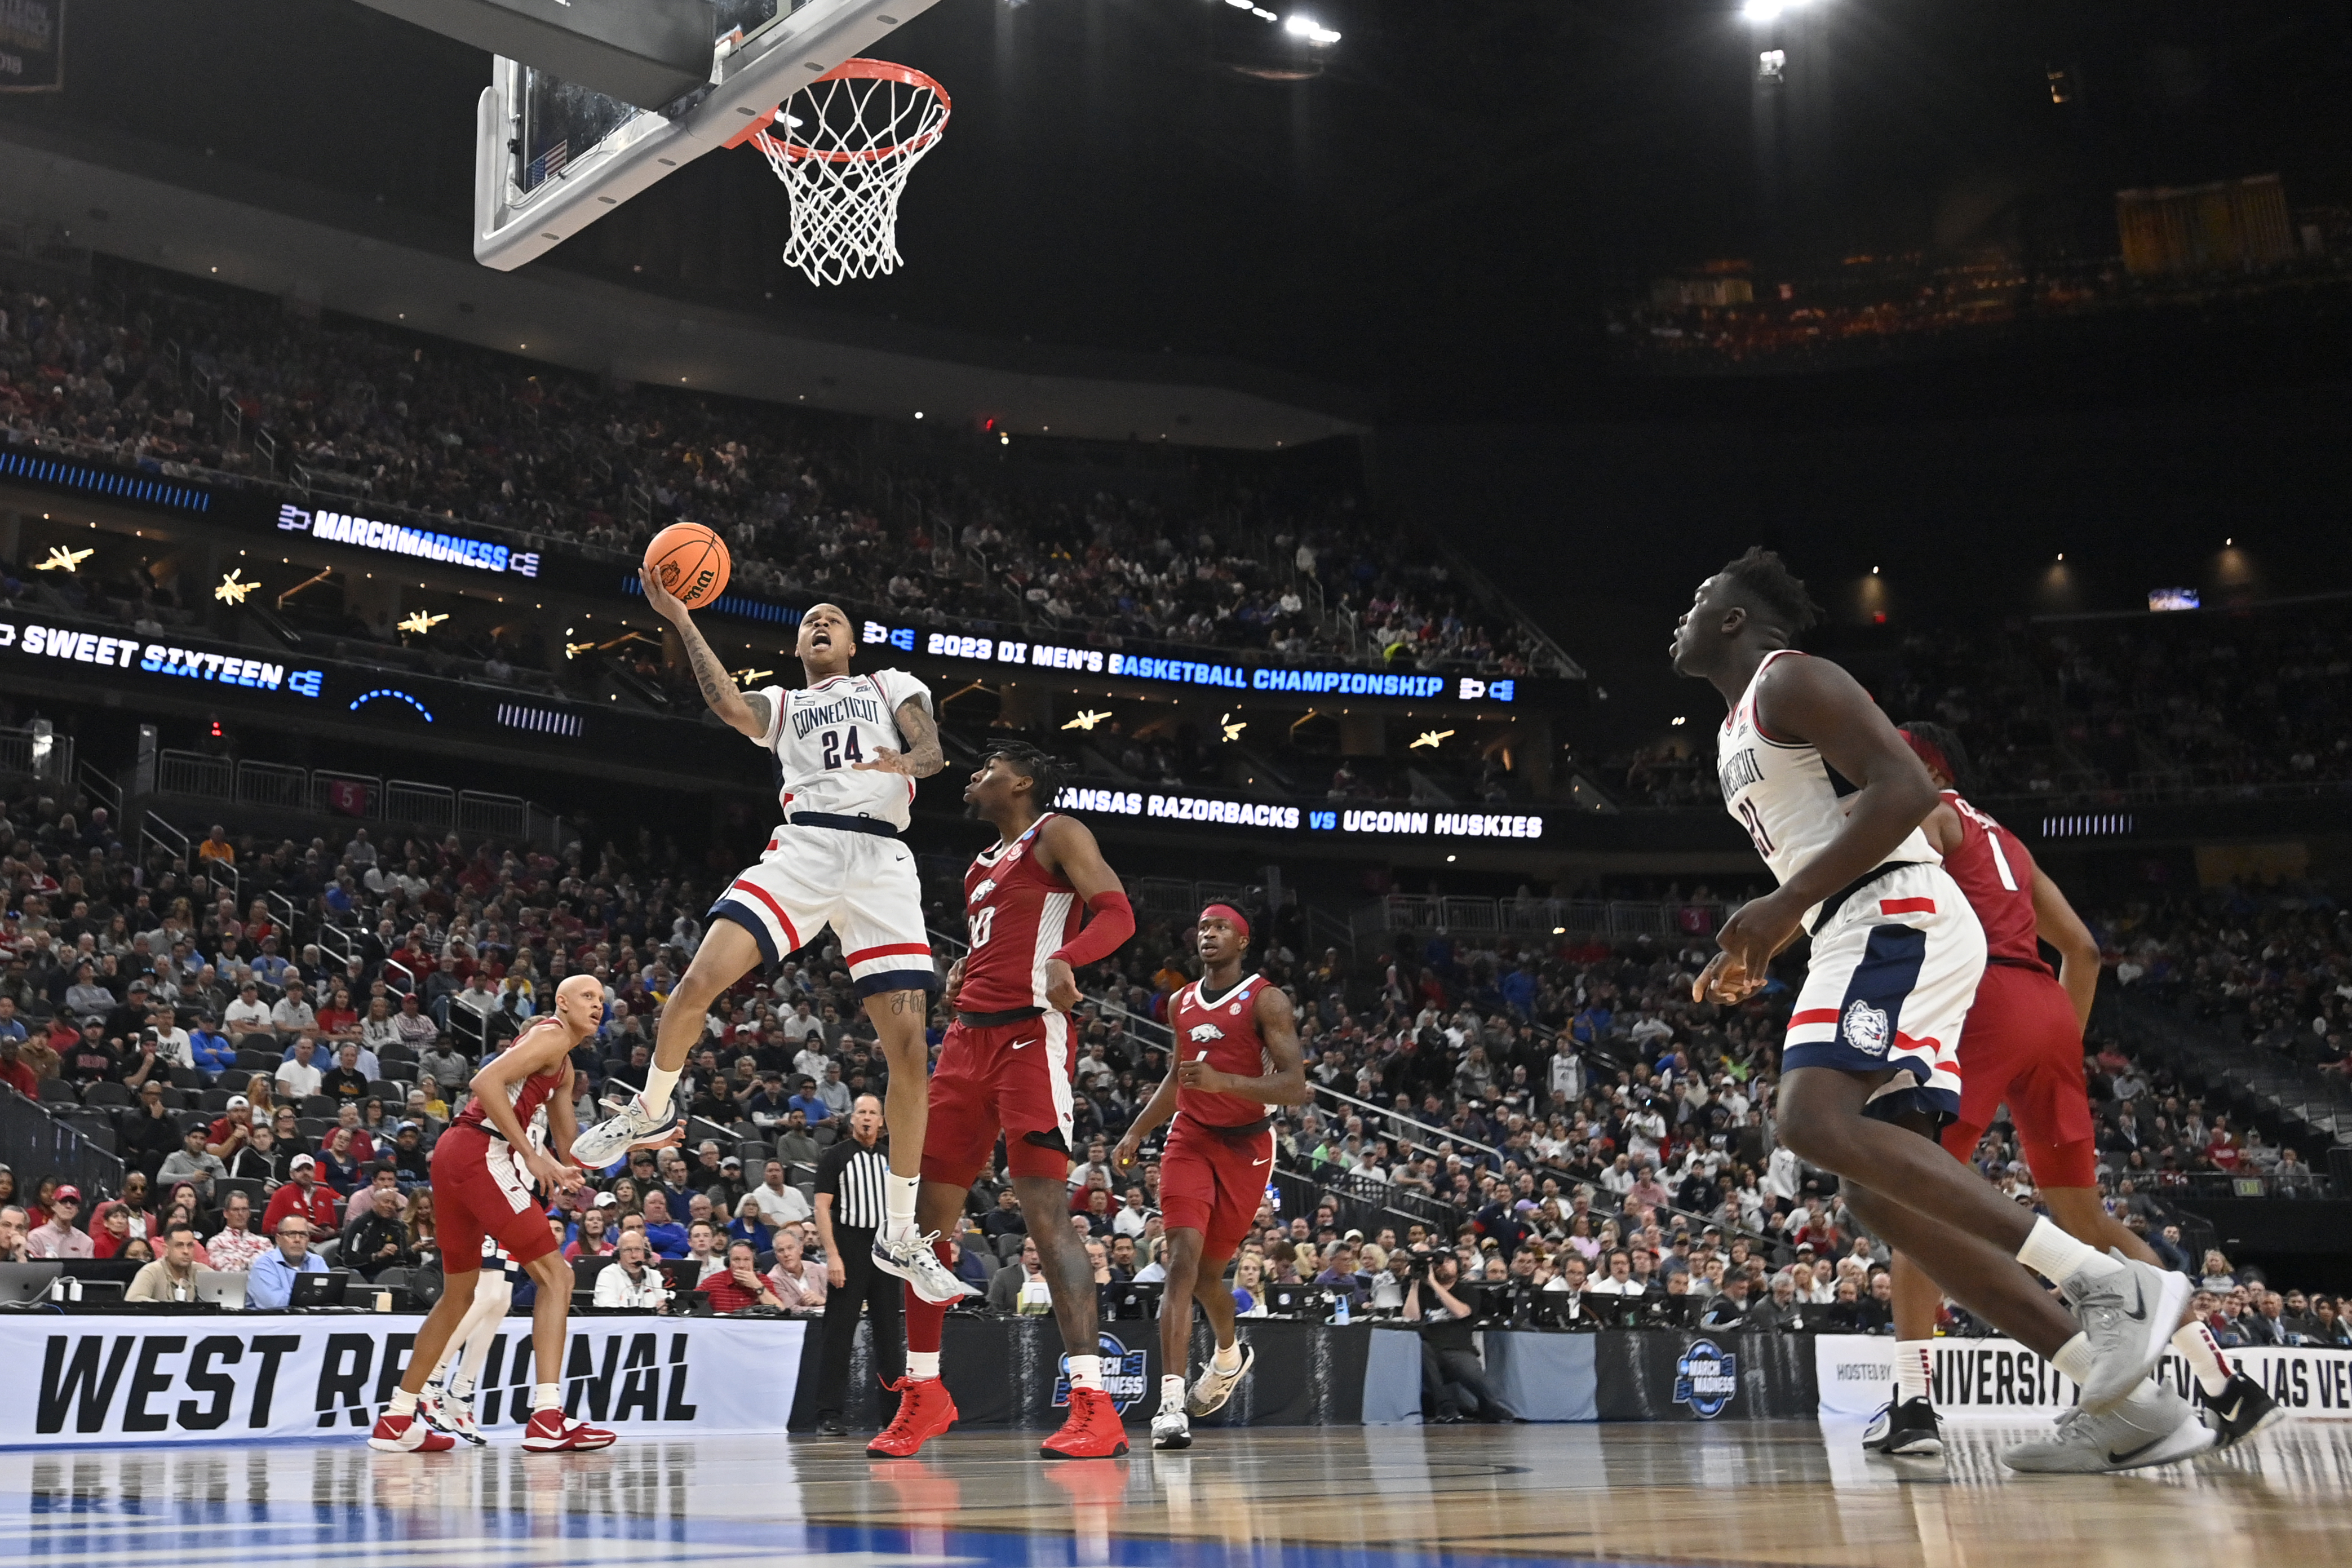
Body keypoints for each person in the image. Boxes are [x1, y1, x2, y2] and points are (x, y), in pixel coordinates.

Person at [1673, 548, 2198, 1474]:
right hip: (1857, 921)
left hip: (1894, 915)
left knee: (1807, 1119)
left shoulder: (1788, 678)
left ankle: (2106, 1284)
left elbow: (1906, 790)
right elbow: (1818, 845)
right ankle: (2125, 1401)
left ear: (1732, 617)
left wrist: (1778, 909)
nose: (1679, 616)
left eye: (1696, 600)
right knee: (1881, 1193)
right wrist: (1753, 943)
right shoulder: (1730, 729)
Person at [1866, 722, 2277, 1459]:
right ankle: (2225, 1386)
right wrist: (2049, 1043)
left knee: (1909, 1196)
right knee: (2088, 1224)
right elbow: (2082, 950)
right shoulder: (2013, 845)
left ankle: (1912, 1408)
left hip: (1981, 997)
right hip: (2047, 1010)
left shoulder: (1929, 811)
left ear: (1926, 768)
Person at [570, 594, 961, 1306]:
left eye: (832, 619)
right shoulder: (783, 704)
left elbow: (933, 753)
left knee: (909, 1054)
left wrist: (902, 759)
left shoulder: (889, 685)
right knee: (696, 981)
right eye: (808, 619)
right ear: (798, 645)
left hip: (880, 858)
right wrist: (683, 620)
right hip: (805, 845)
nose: (818, 623)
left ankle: (900, 1234)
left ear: (852, 641)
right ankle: (653, 1108)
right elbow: (727, 704)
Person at [871, 744, 1139, 1461]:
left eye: (988, 764)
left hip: (1031, 1039)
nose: (973, 774)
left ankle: (1094, 1403)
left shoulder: (1059, 832)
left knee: (1046, 1215)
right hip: (965, 1042)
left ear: (1022, 780)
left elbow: (1118, 915)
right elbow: (1006, 939)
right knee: (923, 1228)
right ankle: (926, 1393)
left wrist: (1068, 959)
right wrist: (964, 972)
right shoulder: (977, 865)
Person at [369, 974, 679, 1454]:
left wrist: (641, 1141)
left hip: (457, 1155)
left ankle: (396, 1419)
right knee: (557, 1278)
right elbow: (483, 1080)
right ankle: (548, 1417)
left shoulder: (566, 1067)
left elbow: (573, 1152)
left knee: (459, 1296)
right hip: (480, 1152)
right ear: (562, 1003)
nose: (598, 1005)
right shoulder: (552, 1034)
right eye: (587, 997)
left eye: (602, 998)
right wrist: (531, 1156)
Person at [1114, 904, 1307, 1450]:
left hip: (1248, 1147)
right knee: (1180, 1262)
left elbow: (1295, 1086)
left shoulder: (1267, 999)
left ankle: (1228, 1355)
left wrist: (1225, 1080)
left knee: (1207, 1278)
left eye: (1220, 927)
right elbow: (1180, 1079)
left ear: (1242, 941)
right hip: (1190, 1137)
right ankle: (1170, 1405)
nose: (1208, 934)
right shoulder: (1180, 1001)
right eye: (1201, 927)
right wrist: (1135, 1131)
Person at [809, 1094, 907, 1437]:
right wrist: (833, 1255)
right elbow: (822, 1209)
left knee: (889, 1336)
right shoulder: (835, 1157)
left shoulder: (891, 1158)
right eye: (861, 1112)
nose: (867, 1118)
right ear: (852, 1119)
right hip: (849, 1246)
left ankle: (894, 1415)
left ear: (882, 1121)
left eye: (873, 1113)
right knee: (839, 1332)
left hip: (884, 1249)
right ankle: (828, 1413)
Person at [246, 1215, 327, 1309]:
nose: (297, 1240)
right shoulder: (264, 1265)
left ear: (308, 1240)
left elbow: (327, 1299)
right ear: (278, 1239)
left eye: (303, 1235)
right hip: (273, 1322)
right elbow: (274, 1305)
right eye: (291, 1234)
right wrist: (310, 1300)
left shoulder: (317, 1262)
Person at [127, 1222, 203, 1302]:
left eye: (190, 1245)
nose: (186, 1251)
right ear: (166, 1250)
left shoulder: (203, 1272)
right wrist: (165, 1308)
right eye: (179, 1245)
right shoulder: (151, 1271)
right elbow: (133, 1299)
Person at [593, 1232, 669, 1309]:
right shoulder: (608, 1275)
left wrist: (664, 1309)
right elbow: (608, 1310)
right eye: (628, 1250)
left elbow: (666, 1304)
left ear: (645, 1255)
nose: (634, 1256)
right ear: (618, 1255)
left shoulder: (655, 1276)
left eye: (638, 1250)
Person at [766, 1225, 828, 1309]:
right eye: (781, 1250)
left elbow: (838, 1300)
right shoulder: (774, 1279)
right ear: (776, 1256)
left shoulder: (819, 1270)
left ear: (801, 1249)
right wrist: (825, 1308)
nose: (786, 1254)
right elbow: (790, 1310)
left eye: (790, 1248)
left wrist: (823, 1301)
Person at [208, 1190, 270, 1272]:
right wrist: (254, 1262)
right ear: (226, 1213)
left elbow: (270, 1270)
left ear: (249, 1213)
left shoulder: (264, 1243)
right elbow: (226, 1273)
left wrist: (241, 1264)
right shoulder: (216, 1243)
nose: (241, 1214)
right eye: (236, 1210)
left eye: (244, 1209)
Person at [26, 1185, 92, 1258]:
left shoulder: (86, 1242)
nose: (68, 1206)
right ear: (53, 1206)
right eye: (63, 1201)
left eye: (73, 1202)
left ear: (78, 1210)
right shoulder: (35, 1237)